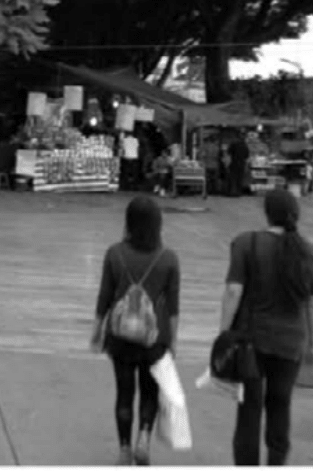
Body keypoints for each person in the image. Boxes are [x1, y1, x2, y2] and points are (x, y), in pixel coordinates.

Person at [219, 189, 313, 465]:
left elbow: (233, 292)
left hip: (252, 342)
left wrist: (224, 335)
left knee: (249, 410)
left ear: (266, 212)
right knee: (280, 406)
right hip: (291, 344)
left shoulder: (245, 243)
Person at [91, 196, 181, 466]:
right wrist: (173, 342)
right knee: (149, 392)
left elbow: (104, 296)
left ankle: (124, 449)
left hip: (120, 337)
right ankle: (144, 435)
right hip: (154, 338)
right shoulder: (168, 258)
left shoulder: (115, 253)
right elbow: (174, 307)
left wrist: (97, 329)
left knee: (124, 392)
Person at [227, 131, 250, 197]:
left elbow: (228, 153)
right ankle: (238, 193)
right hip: (241, 164)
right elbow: (247, 156)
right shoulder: (245, 146)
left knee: (233, 178)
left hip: (234, 163)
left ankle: (232, 192)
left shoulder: (233, 144)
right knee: (240, 179)